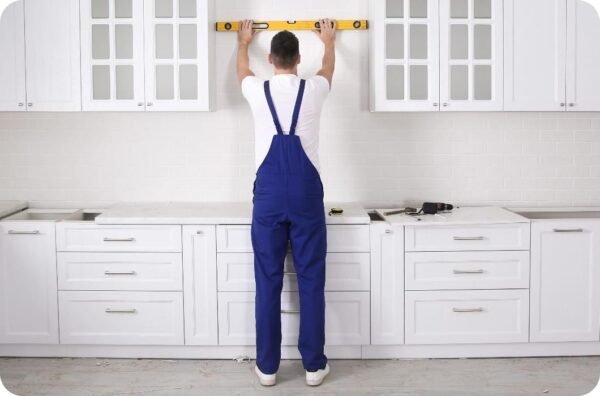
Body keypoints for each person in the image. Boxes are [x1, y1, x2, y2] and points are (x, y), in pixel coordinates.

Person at [236, 18, 336, 387]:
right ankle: (313, 367)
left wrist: (243, 41)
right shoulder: (314, 89)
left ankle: (267, 368)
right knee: (311, 280)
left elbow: (242, 69)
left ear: (271, 58)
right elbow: (328, 68)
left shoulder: (255, 90)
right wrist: (329, 41)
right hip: (307, 195)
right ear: (298, 58)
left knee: (268, 280)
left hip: (269, 197)